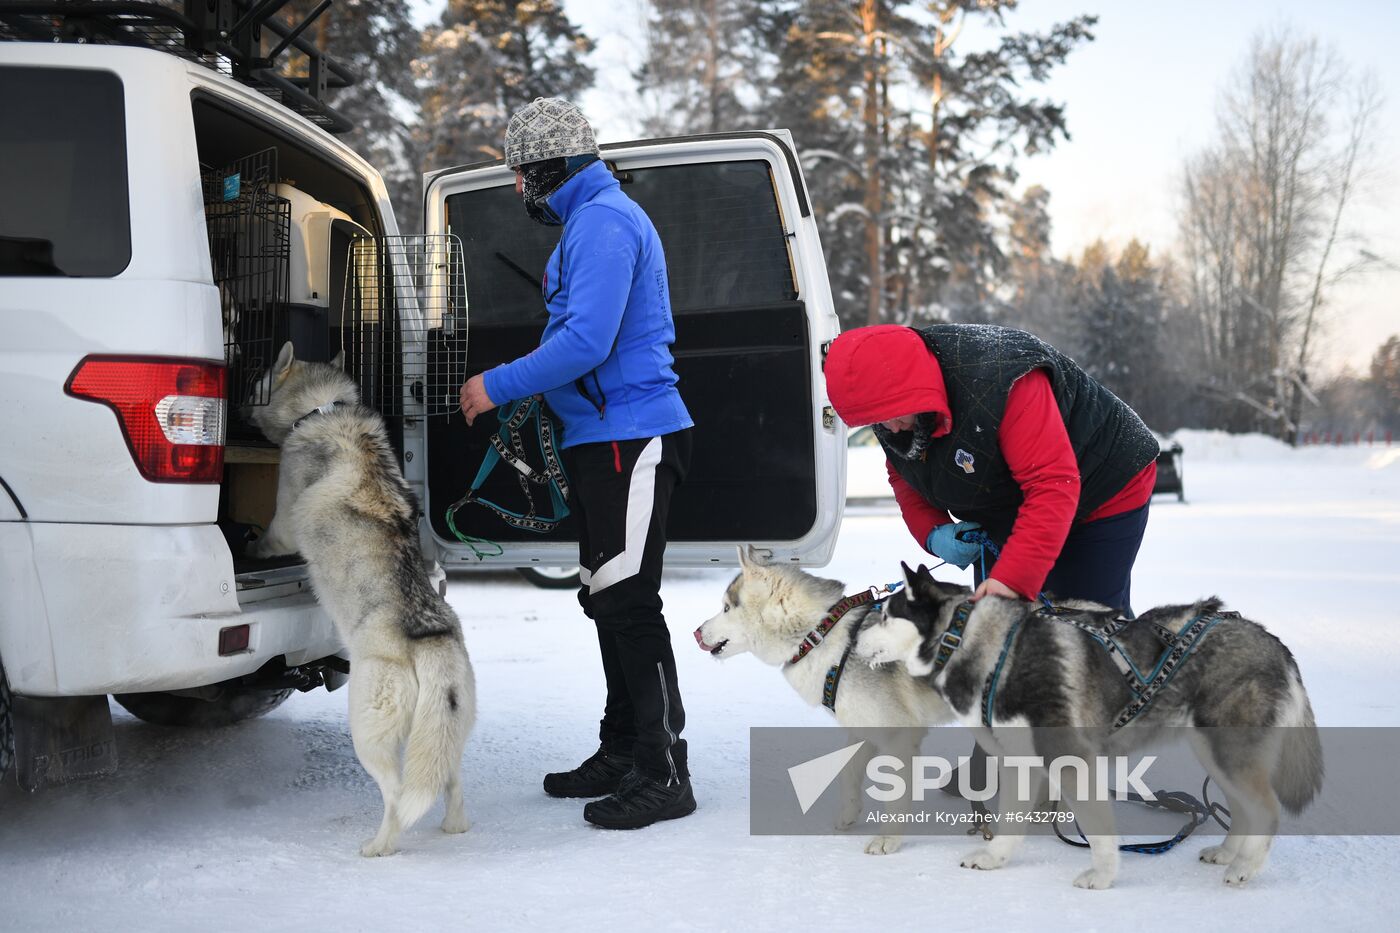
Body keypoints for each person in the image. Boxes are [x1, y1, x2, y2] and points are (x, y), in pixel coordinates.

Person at [459, 98, 696, 829]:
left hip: (632, 437)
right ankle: (624, 749)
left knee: (629, 602)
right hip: (602, 439)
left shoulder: (605, 222)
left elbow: (589, 340)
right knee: (606, 597)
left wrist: (494, 385)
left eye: (523, 176)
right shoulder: (588, 223)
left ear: (550, 167)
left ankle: (665, 770)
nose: (519, 192)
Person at [824, 323, 1159, 614]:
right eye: (875, 423)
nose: (890, 429)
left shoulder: (1002, 381)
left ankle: (1129, 679)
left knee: (1081, 622)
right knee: (1002, 629)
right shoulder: (892, 411)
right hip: (1010, 496)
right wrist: (934, 532)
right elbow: (903, 472)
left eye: (893, 416)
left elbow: (1052, 484)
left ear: (914, 390)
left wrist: (1011, 581)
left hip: (1103, 481)